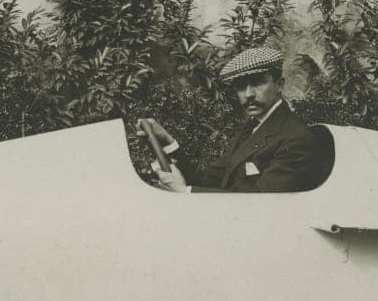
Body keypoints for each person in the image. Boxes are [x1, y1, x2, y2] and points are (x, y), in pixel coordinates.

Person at [138, 46, 325, 193]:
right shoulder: (253, 127)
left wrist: (184, 191)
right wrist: (169, 144)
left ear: (279, 85)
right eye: (241, 87)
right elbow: (210, 179)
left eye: (258, 82)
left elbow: (261, 203)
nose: (248, 94)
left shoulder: (296, 139)